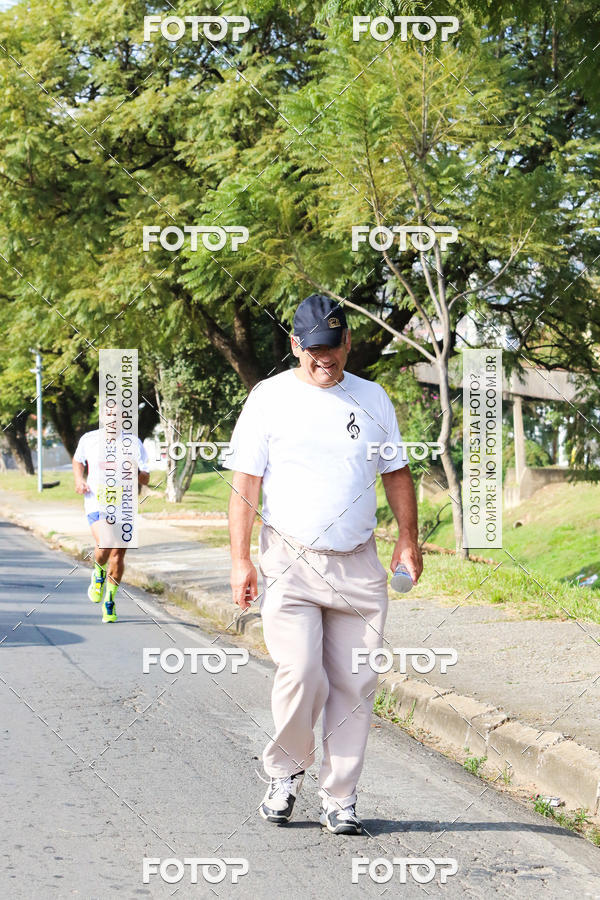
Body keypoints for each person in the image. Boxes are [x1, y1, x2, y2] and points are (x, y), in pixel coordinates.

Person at [225, 293, 423, 835]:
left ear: (347, 342)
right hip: (289, 561)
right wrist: (241, 559)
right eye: (313, 350)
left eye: (333, 348)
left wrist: (409, 539)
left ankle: (340, 798)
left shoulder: (374, 399)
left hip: (359, 566)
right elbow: (246, 482)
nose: (324, 360)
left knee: (356, 683)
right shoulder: (269, 399)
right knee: (303, 673)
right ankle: (285, 773)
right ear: (295, 345)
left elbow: (396, 473)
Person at [72, 422, 150, 623]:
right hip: (97, 503)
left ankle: (110, 599)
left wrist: (134, 471)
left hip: (124, 505)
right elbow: (78, 460)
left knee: (117, 557)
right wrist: (79, 480)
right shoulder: (89, 439)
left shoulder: (133, 443)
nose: (112, 421)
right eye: (108, 416)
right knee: (105, 542)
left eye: (116, 416)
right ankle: (98, 572)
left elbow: (146, 478)